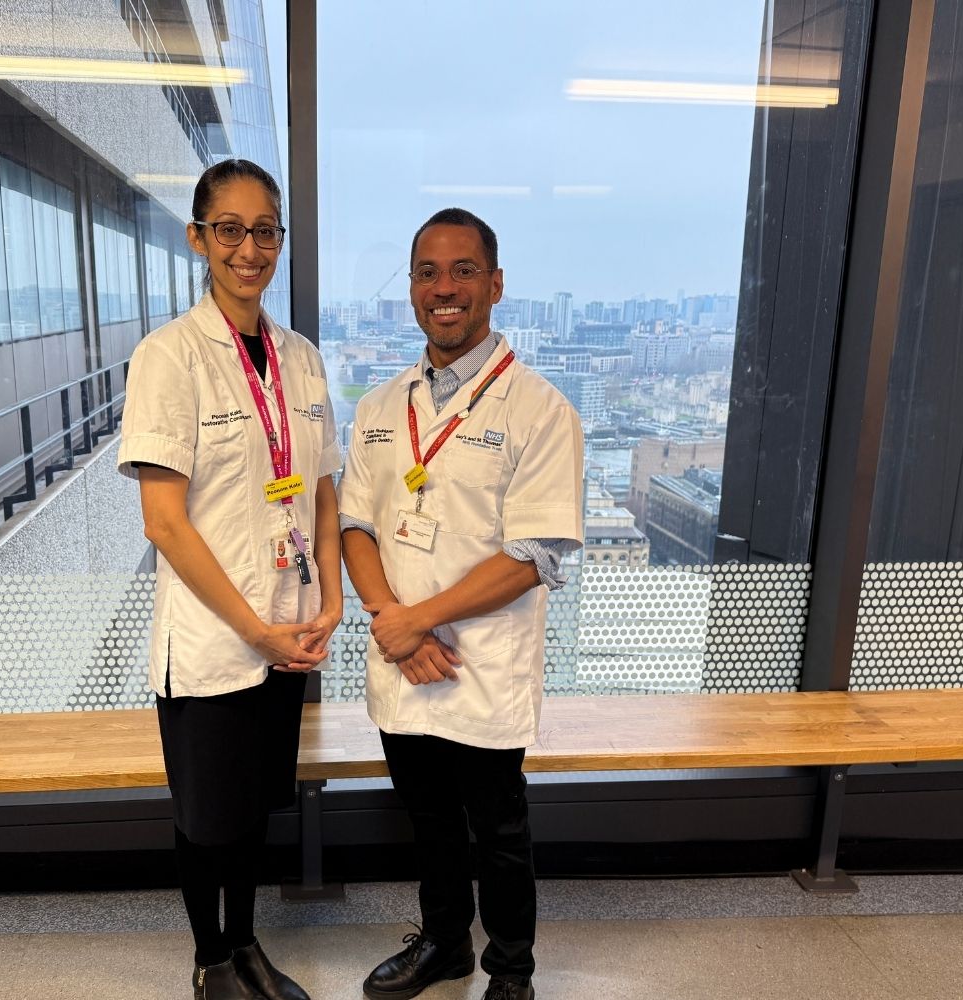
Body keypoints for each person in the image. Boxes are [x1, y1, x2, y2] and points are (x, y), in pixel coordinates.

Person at [339, 208, 585, 1000]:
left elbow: (532, 556)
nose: (444, 289)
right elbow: (353, 524)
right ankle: (444, 943)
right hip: (404, 658)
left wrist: (417, 620)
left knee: (499, 833)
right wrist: (393, 622)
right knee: (430, 821)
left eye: (463, 271)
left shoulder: (541, 410)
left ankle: (511, 973)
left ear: (496, 285)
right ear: (411, 289)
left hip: (481, 666)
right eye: (427, 273)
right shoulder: (381, 407)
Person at [118, 159, 342, 1000]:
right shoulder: (169, 357)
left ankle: (246, 945)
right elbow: (164, 523)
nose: (251, 248)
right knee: (206, 815)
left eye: (265, 231)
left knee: (251, 807)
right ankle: (211, 959)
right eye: (231, 230)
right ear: (200, 240)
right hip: (217, 637)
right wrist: (255, 627)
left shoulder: (302, 358)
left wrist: (332, 599)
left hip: (288, 625)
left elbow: (321, 486)